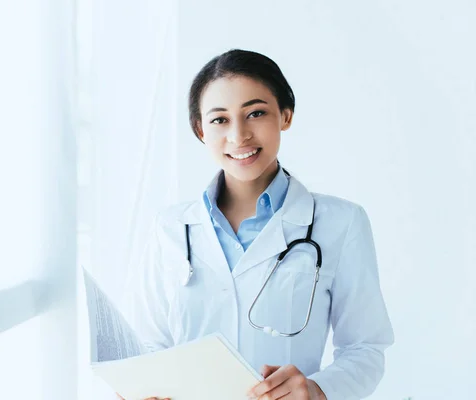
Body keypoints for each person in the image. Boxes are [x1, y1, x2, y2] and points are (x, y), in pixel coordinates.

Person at [119, 49, 394, 400]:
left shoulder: (341, 223)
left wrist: (316, 389)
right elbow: (147, 344)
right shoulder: (171, 228)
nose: (239, 135)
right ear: (200, 130)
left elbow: (366, 347)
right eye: (220, 120)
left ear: (285, 115)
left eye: (256, 113)